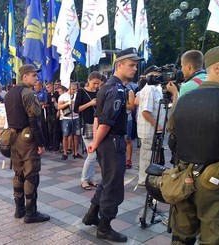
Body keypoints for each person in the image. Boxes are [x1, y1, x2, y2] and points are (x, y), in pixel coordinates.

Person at [83, 48, 144, 242]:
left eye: (135, 65)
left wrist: (95, 142)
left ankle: (92, 215)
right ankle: (105, 227)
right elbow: (106, 122)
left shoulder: (107, 86)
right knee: (114, 187)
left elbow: (97, 117)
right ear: (119, 65)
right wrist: (95, 142)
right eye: (131, 65)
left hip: (106, 142)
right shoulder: (116, 89)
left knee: (107, 182)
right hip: (113, 142)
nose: (134, 68)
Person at [166, 46, 219, 244]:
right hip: (213, 183)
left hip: (184, 177)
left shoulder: (184, 98)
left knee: (182, 235)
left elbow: (172, 137)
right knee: (212, 237)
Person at [4, 64, 50, 223]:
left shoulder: (9, 93)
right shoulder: (29, 94)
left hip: (13, 138)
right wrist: (41, 142)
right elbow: (34, 120)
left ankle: (19, 209)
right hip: (27, 139)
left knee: (18, 173)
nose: (36, 78)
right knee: (31, 175)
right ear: (24, 76)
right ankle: (31, 213)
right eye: (34, 75)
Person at [136, 66, 167, 186]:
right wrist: (157, 126)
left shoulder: (157, 88)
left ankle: (150, 178)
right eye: (156, 75)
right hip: (149, 130)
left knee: (153, 154)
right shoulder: (149, 90)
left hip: (155, 129)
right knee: (147, 156)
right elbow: (145, 112)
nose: (158, 77)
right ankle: (144, 180)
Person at [74, 72, 101, 190]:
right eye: (94, 83)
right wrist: (90, 103)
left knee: (95, 155)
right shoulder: (81, 92)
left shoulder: (99, 92)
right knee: (92, 154)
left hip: (98, 125)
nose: (96, 85)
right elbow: (76, 109)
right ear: (88, 80)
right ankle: (84, 179)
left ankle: (90, 178)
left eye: (98, 84)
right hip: (86, 125)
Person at [58, 82, 82, 160]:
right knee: (65, 135)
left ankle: (75, 152)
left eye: (75, 89)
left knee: (76, 135)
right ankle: (65, 153)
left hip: (76, 117)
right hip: (66, 118)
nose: (74, 91)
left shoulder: (77, 95)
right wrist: (68, 103)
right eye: (73, 89)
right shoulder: (63, 96)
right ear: (69, 88)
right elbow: (59, 107)